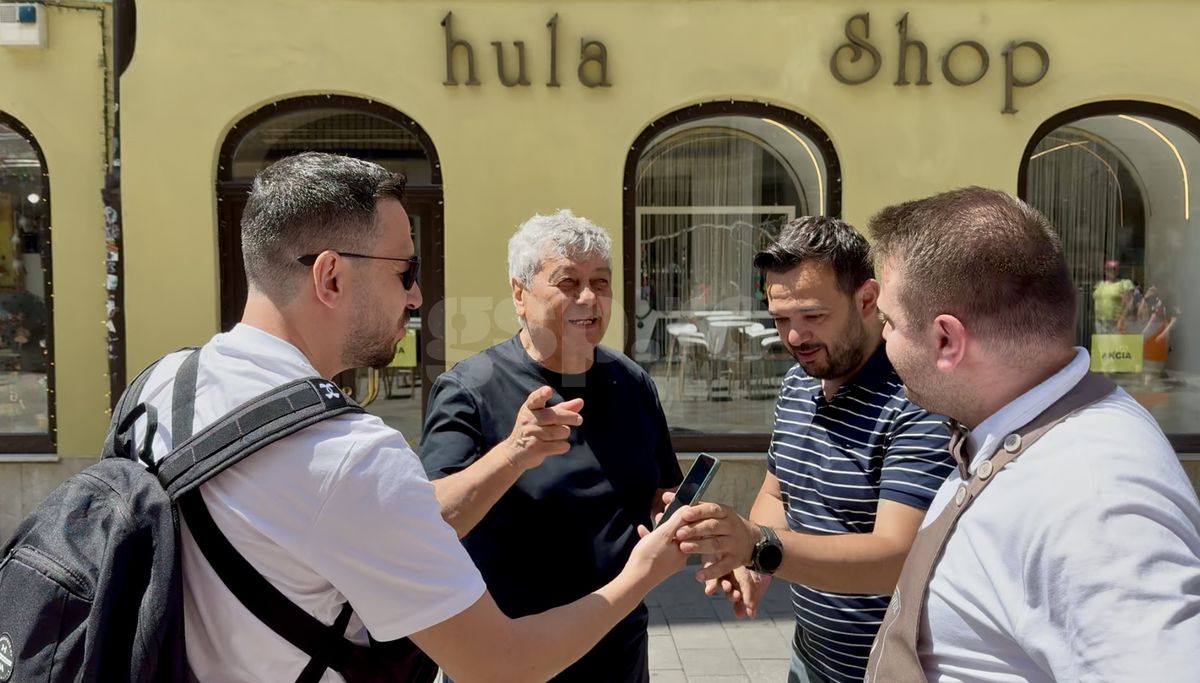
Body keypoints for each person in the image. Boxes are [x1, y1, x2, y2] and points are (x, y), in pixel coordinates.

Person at [131, 154, 689, 682]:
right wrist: (642, 576)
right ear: (330, 277)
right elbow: (497, 665)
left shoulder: (161, 384)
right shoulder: (353, 457)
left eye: (601, 282)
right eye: (405, 272)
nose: (418, 297)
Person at [863, 187, 1200, 681]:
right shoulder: (1023, 423)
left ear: (946, 340)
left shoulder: (1092, 500)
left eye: (889, 321)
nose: (883, 336)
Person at [672, 217, 955, 683]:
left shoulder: (916, 401)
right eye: (781, 319)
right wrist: (753, 565)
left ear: (867, 299)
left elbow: (896, 558)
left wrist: (763, 547)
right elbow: (779, 494)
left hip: (889, 669)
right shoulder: (796, 385)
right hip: (809, 656)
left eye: (813, 317)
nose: (795, 338)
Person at [420, 209, 683, 683]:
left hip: (619, 653)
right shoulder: (470, 389)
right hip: (514, 659)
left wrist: (668, 509)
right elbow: (433, 520)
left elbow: (661, 484)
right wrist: (514, 452)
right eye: (568, 282)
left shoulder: (631, 382)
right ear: (520, 294)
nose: (589, 297)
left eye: (601, 283)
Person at [1093, 258, 1134, 333]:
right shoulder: (1100, 285)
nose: (1112, 271)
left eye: (1114, 269)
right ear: (1105, 271)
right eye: (1109, 269)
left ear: (1118, 271)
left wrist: (1122, 318)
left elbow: (1129, 303)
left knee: (1115, 343)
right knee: (1102, 343)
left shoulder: (1124, 283)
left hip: (1115, 322)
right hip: (1100, 322)